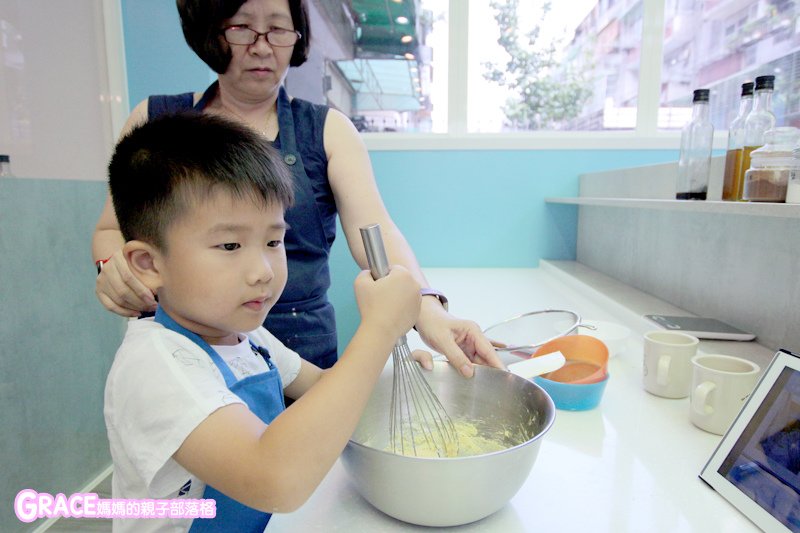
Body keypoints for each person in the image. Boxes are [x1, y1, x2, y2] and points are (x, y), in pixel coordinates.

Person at [92, 0, 501, 376]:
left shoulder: (328, 129)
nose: (262, 47)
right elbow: (113, 230)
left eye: (278, 30)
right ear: (211, 31)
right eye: (242, 28)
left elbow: (376, 231)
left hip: (301, 347)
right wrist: (114, 270)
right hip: (188, 347)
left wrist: (428, 309)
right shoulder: (154, 122)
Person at [104, 112, 422, 532]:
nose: (264, 271)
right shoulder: (157, 366)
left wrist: (389, 379)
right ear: (148, 264)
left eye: (274, 241)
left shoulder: (249, 337)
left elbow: (324, 387)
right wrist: (377, 331)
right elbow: (274, 478)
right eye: (230, 244)